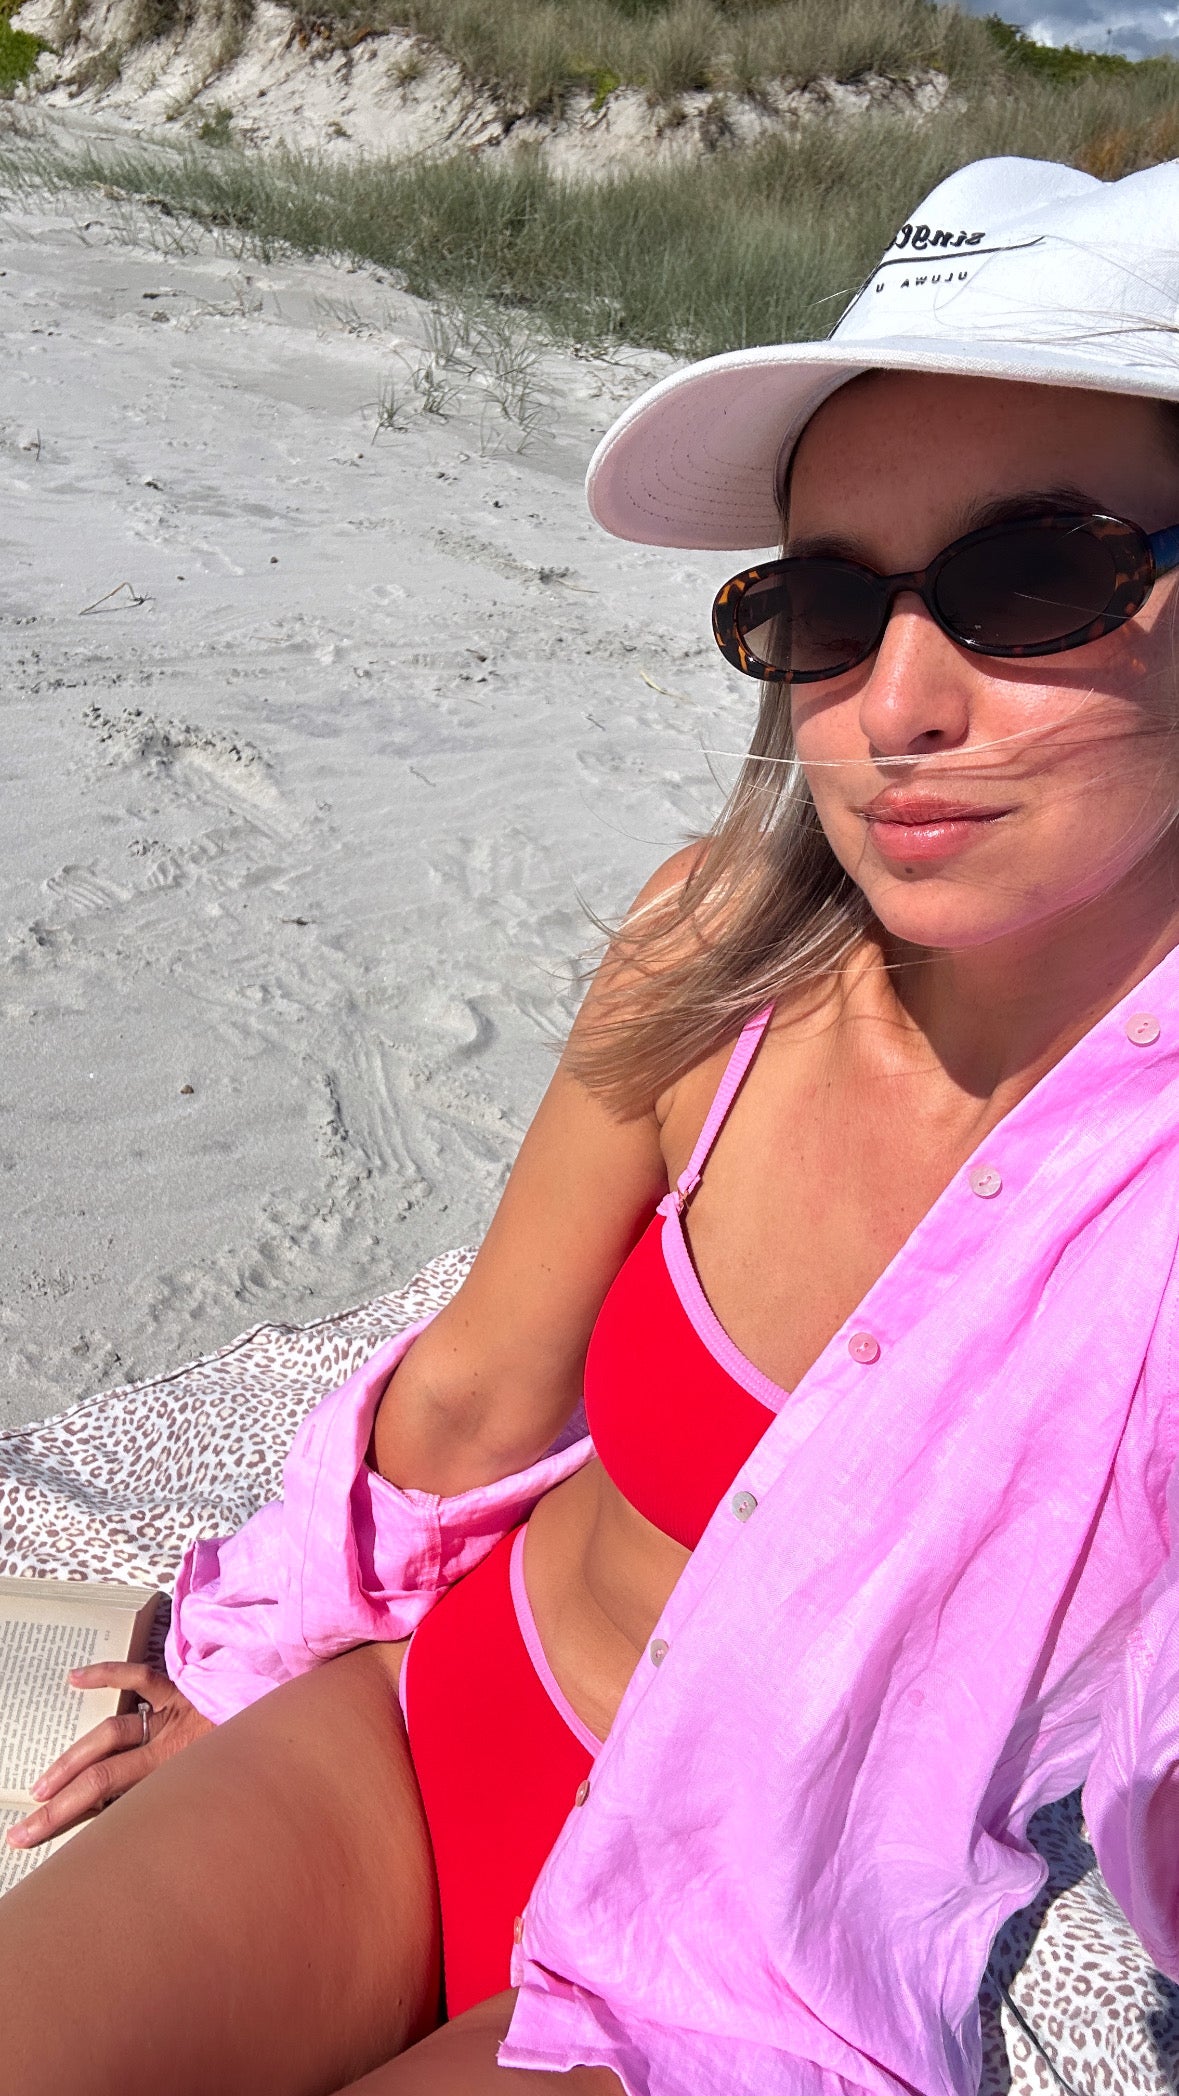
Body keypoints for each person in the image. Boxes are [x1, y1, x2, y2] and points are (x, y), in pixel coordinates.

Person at [4, 151, 1179, 2096]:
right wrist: (249, 1656)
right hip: (428, 1737)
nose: (897, 703)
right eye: (823, 604)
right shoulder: (718, 954)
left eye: (1032, 582)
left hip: (738, 1976)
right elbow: (478, 1391)